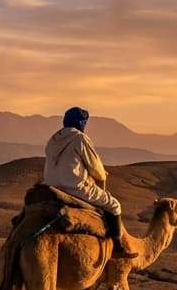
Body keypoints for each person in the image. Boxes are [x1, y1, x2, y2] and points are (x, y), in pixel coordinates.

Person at [43, 106, 137, 258]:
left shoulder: (53, 139)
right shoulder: (80, 138)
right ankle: (118, 248)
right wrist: (101, 175)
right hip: (74, 187)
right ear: (82, 123)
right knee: (114, 205)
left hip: (50, 186)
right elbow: (96, 168)